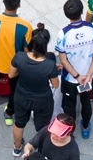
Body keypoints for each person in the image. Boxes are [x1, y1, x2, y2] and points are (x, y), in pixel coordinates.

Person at [9, 24, 58, 155]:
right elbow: (56, 85)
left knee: (19, 123)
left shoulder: (19, 57)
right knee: (42, 127)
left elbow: (11, 75)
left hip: (21, 97)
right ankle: (41, 149)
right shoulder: (49, 64)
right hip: (43, 100)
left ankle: (17, 148)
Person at [56, 0, 93, 139]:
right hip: (89, 78)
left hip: (70, 79)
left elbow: (63, 60)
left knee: (70, 104)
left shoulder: (62, 34)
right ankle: (85, 126)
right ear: (82, 11)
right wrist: (88, 75)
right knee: (86, 101)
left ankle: (70, 130)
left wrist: (77, 76)